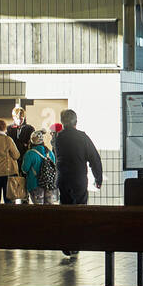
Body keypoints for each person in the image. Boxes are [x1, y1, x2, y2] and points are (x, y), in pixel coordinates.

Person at [53, 108, 103, 257]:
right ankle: (76, 242)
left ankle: (66, 243)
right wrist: (98, 178)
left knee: (66, 210)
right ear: (76, 121)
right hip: (78, 179)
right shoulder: (82, 137)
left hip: (63, 179)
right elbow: (94, 158)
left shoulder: (58, 138)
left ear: (62, 122)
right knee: (80, 210)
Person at [20, 129, 58, 204]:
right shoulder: (49, 153)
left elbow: (24, 169)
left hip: (35, 185)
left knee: (38, 211)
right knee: (49, 210)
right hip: (49, 185)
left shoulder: (30, 153)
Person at [0, 118, 20, 204]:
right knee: (9, 200)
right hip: (7, 174)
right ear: (5, 128)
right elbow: (16, 155)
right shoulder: (7, 139)